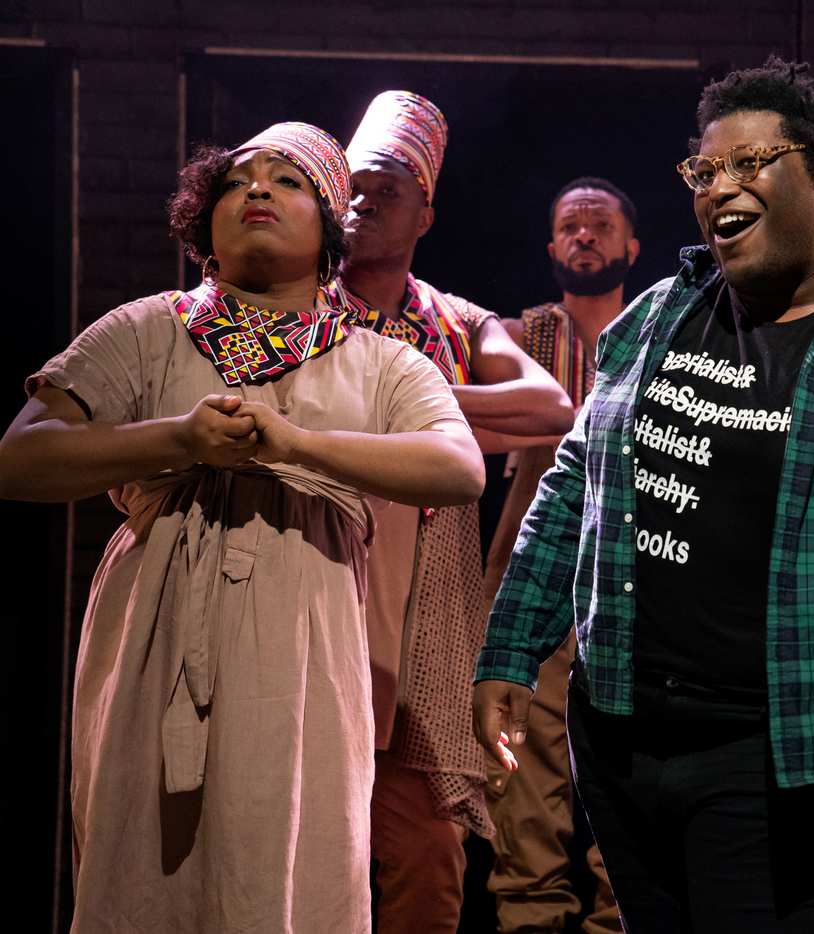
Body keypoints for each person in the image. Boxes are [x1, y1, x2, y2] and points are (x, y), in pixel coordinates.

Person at [473, 57, 814, 933]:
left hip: (789, 751)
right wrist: (510, 649)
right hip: (623, 733)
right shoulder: (658, 315)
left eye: (750, 163)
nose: (720, 186)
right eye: (705, 171)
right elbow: (577, 485)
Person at [0, 121, 483, 932]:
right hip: (156, 625)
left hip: (306, 640)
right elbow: (19, 460)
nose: (257, 190)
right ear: (204, 223)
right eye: (236, 181)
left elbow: (459, 467)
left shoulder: (380, 360)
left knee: (290, 857)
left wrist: (296, 444)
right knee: (143, 857)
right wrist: (177, 439)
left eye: (289, 181)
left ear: (332, 228)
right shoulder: (148, 329)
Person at [327, 91, 575, 934]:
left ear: (426, 211)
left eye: (387, 187)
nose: (363, 202)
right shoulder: (301, 314)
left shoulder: (455, 321)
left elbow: (549, 408)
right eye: (351, 186)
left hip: (426, 618)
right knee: (305, 851)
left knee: (427, 869)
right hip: (327, 587)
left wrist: (401, 399)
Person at [482, 175, 639, 934]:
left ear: (631, 246)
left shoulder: (654, 337)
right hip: (535, 582)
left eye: (601, 225)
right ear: (551, 246)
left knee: (628, 788)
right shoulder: (517, 340)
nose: (585, 236)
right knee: (524, 791)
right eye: (571, 226)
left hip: (631, 584)